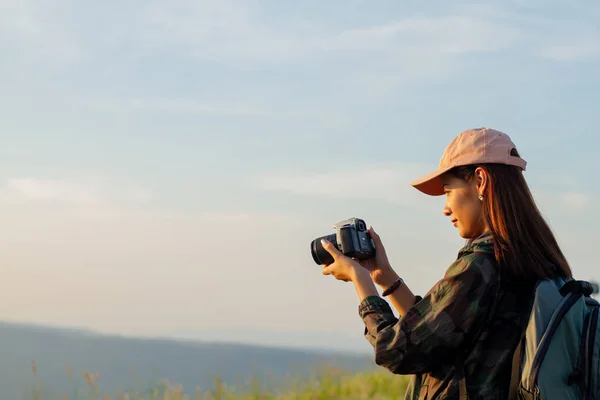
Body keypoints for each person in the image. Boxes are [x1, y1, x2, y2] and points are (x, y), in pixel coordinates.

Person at [319, 128, 573, 400]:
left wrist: (361, 282)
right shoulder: (536, 258)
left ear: (480, 180)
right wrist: (386, 279)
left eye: (448, 190)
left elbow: (395, 350)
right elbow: (439, 332)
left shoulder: (482, 265)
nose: (446, 208)